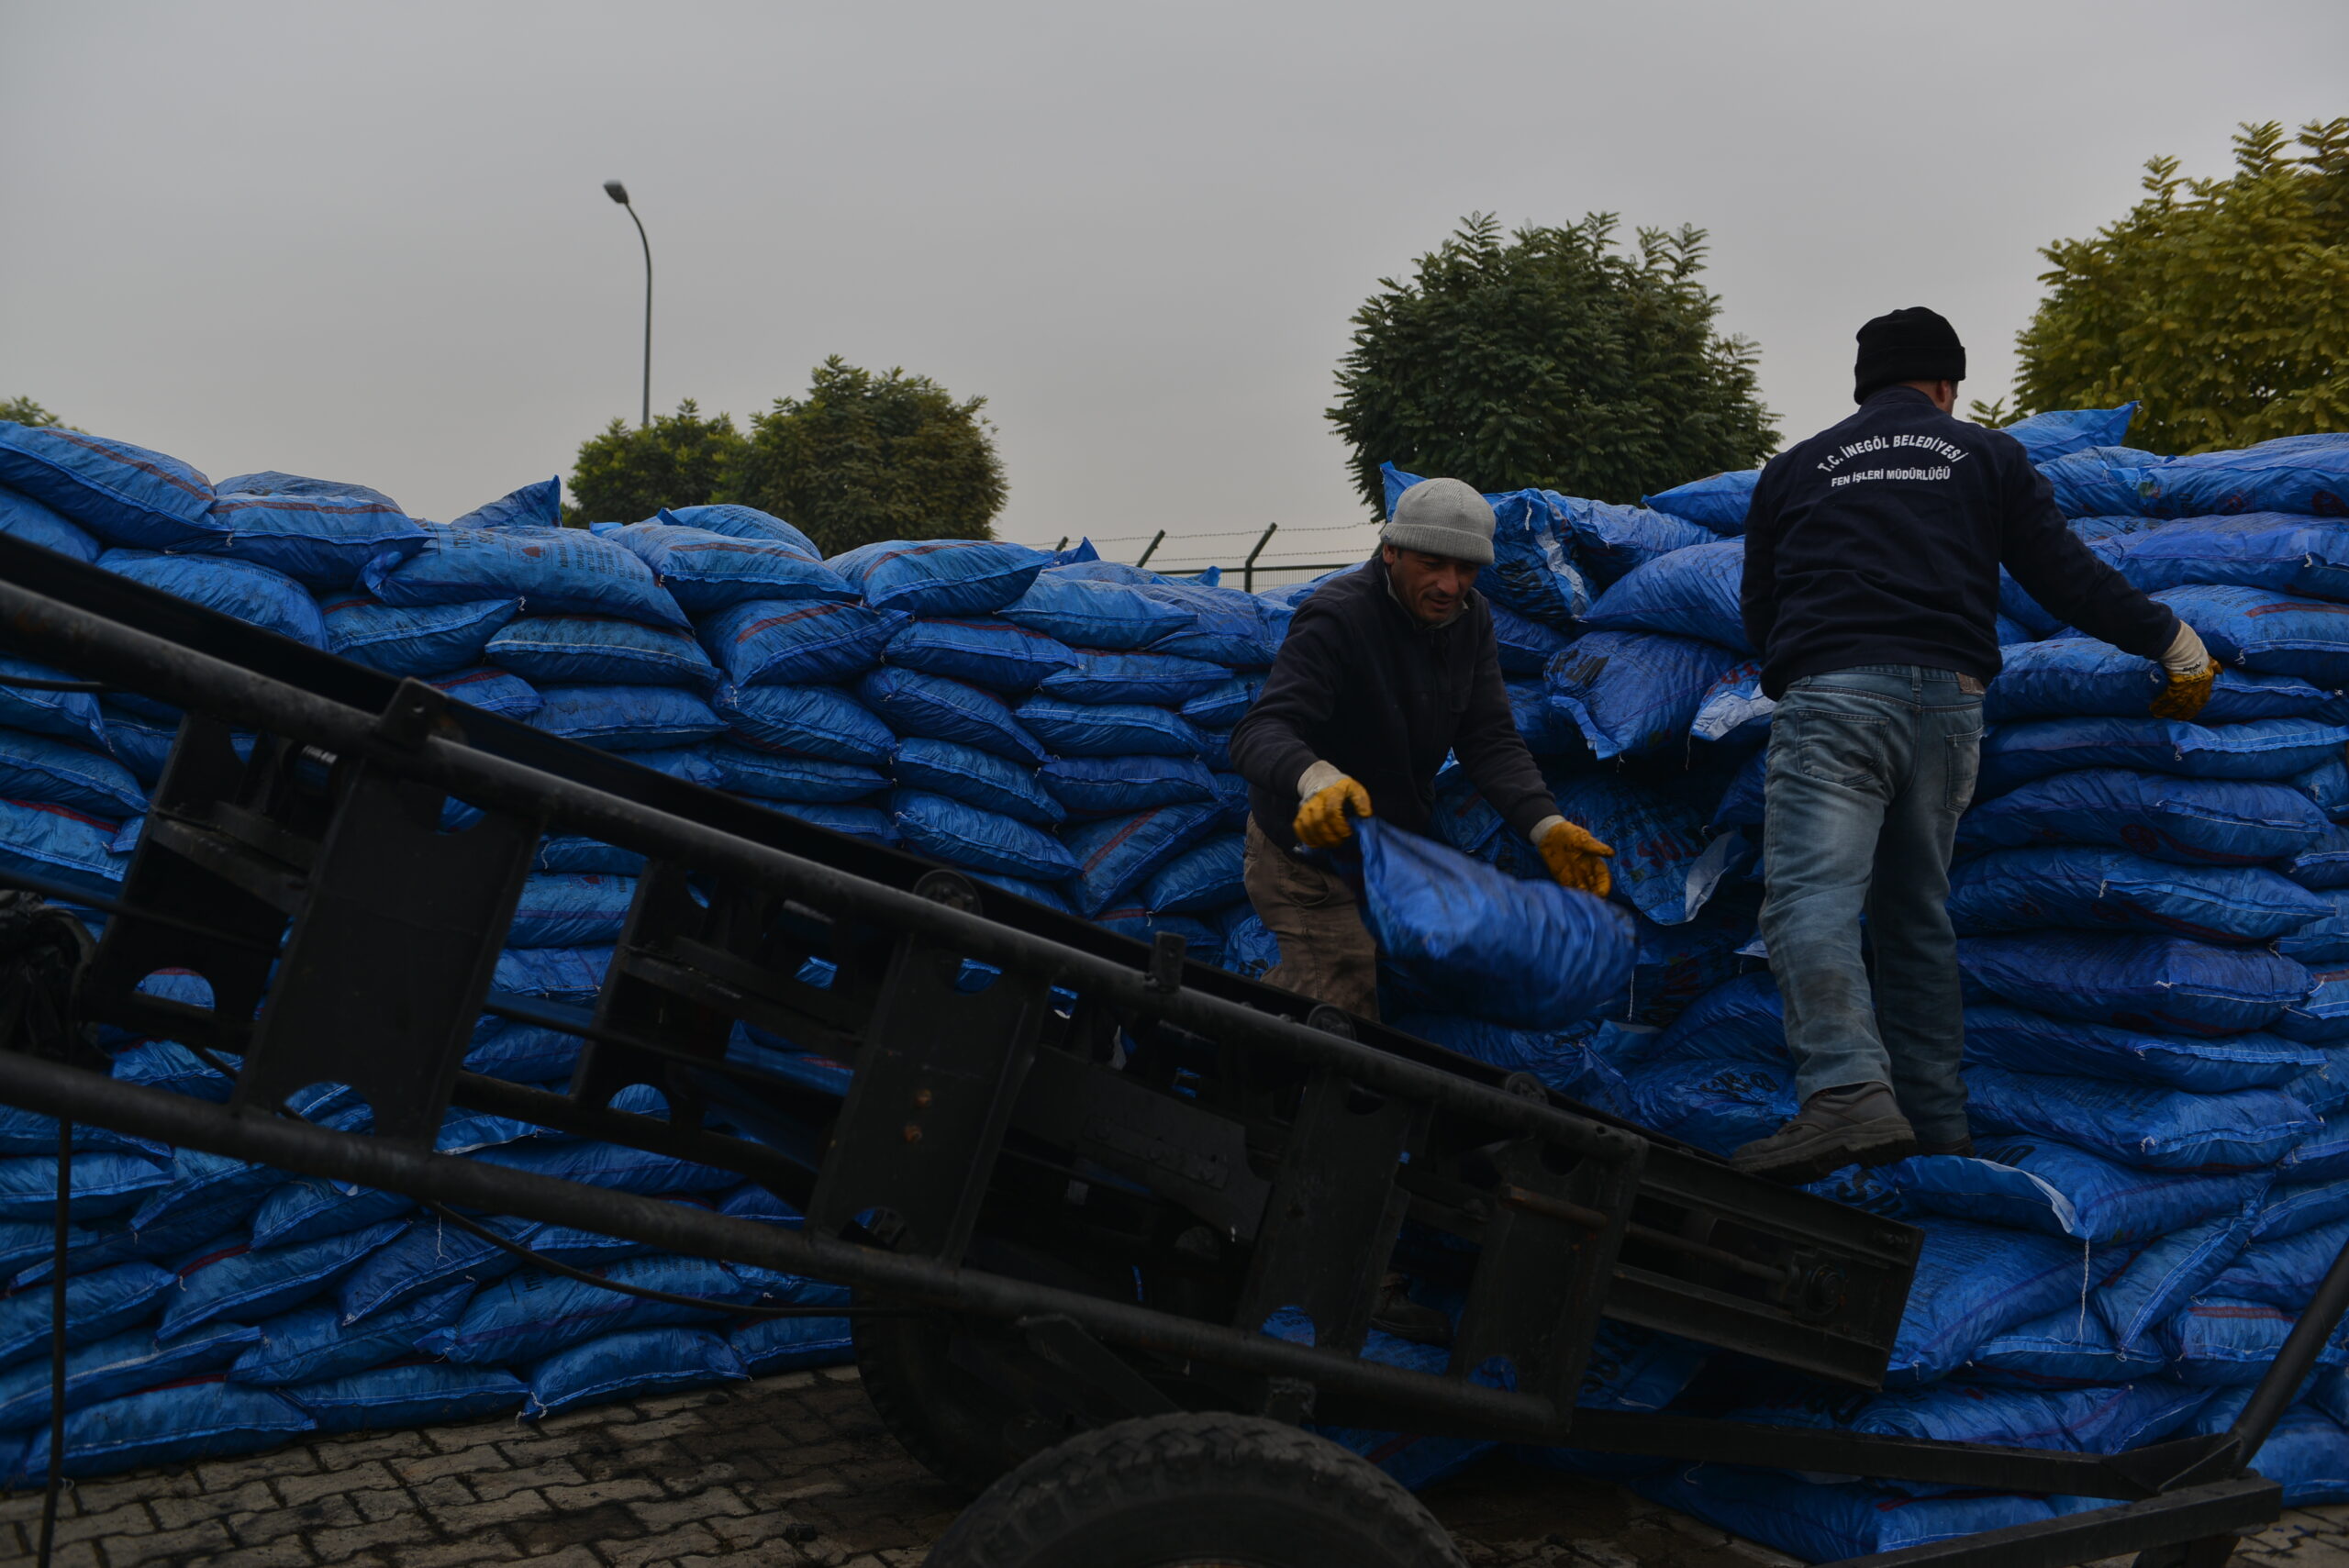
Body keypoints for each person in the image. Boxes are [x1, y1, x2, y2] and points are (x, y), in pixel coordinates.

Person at [1730, 306, 2216, 1182]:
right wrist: (2170, 638)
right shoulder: (1986, 456)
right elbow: (2064, 575)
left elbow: (1761, 611)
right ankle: (1935, 1125)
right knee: (1916, 917)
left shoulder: (1795, 467)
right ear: (1947, 384)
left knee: (1810, 899)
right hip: (1951, 703)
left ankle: (1845, 1092)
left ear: (1865, 386)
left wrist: (1804, 674)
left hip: (1835, 694)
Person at [1230, 476, 1615, 1022]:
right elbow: (1261, 729)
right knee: (1336, 1008)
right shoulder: (1339, 616)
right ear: (1391, 551)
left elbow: (1489, 738)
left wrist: (1545, 826)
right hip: (1308, 856)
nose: (1449, 585)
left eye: (1466, 569)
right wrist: (1318, 780)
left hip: (1390, 850)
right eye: (1432, 564)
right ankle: (1234, 1054)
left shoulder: (1471, 619)